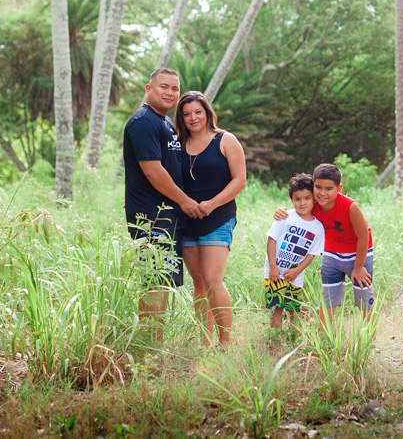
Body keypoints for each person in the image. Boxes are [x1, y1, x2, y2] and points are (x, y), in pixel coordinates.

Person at [123, 68, 201, 334]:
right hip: (151, 217)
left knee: (163, 280)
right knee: (154, 281)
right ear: (148, 88)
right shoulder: (143, 122)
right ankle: (149, 345)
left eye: (175, 89)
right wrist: (186, 201)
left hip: (167, 215)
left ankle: (154, 342)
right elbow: (153, 171)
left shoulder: (165, 123)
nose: (170, 93)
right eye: (163, 87)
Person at [175, 90, 247, 347]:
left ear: (207, 112)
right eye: (186, 114)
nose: (193, 118)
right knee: (198, 282)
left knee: (212, 279)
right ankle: (205, 343)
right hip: (187, 219)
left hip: (218, 217)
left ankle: (225, 343)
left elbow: (240, 180)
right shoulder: (177, 145)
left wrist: (211, 205)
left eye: (198, 112)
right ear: (181, 118)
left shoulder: (225, 140)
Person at [275, 163, 374, 321]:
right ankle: (325, 337)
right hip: (331, 251)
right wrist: (282, 212)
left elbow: (364, 237)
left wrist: (359, 266)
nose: (322, 193)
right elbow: (297, 211)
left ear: (338, 188)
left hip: (358, 252)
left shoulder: (350, 206)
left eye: (329, 189)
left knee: (364, 294)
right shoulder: (312, 204)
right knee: (328, 295)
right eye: (318, 187)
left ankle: (369, 338)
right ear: (313, 185)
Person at [264, 173, 325, 329]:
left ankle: (294, 338)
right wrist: (273, 267)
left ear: (313, 199)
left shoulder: (318, 227)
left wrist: (297, 270)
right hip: (275, 272)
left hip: (295, 275)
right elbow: (271, 240)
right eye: (297, 199)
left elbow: (311, 255)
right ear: (291, 200)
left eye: (307, 198)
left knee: (293, 309)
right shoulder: (286, 217)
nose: (302, 203)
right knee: (277, 307)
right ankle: (275, 341)